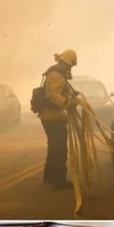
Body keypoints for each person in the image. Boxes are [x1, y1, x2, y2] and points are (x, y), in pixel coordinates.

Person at [38, 49, 78, 189]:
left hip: (49, 116)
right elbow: (54, 95)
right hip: (53, 117)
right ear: (67, 63)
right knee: (59, 150)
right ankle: (59, 181)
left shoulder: (57, 73)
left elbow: (62, 87)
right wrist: (68, 103)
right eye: (71, 65)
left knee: (53, 148)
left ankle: (49, 177)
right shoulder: (57, 75)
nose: (71, 68)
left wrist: (71, 95)